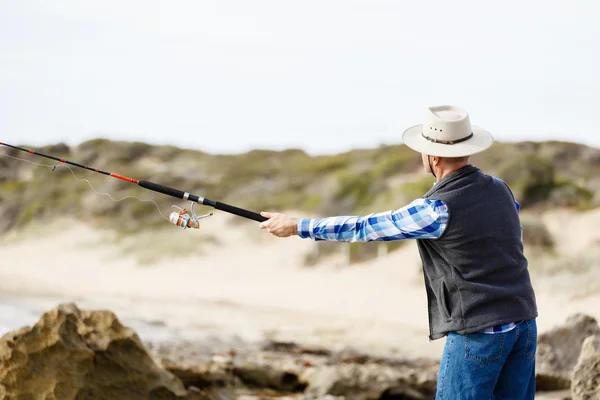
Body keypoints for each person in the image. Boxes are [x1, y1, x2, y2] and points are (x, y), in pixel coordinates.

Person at [258, 105, 539, 399]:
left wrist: (298, 226)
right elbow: (510, 236)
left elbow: (366, 227)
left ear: (433, 156)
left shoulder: (436, 208)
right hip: (524, 323)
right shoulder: (501, 189)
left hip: (479, 333)